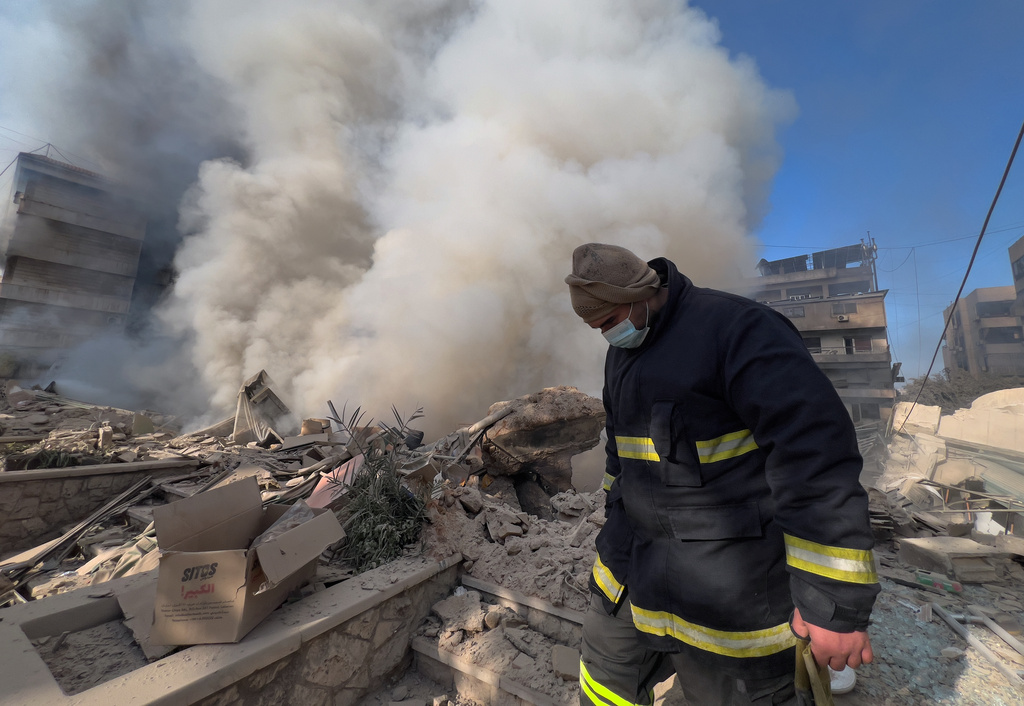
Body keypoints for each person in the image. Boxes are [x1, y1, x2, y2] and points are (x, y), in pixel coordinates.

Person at [565, 243, 879, 706]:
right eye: (595, 328)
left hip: (729, 598)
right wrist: (611, 538)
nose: (605, 336)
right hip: (632, 572)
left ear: (643, 293)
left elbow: (816, 464)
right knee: (603, 676)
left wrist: (832, 607)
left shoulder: (739, 330)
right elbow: (621, 462)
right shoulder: (622, 358)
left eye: (609, 322)